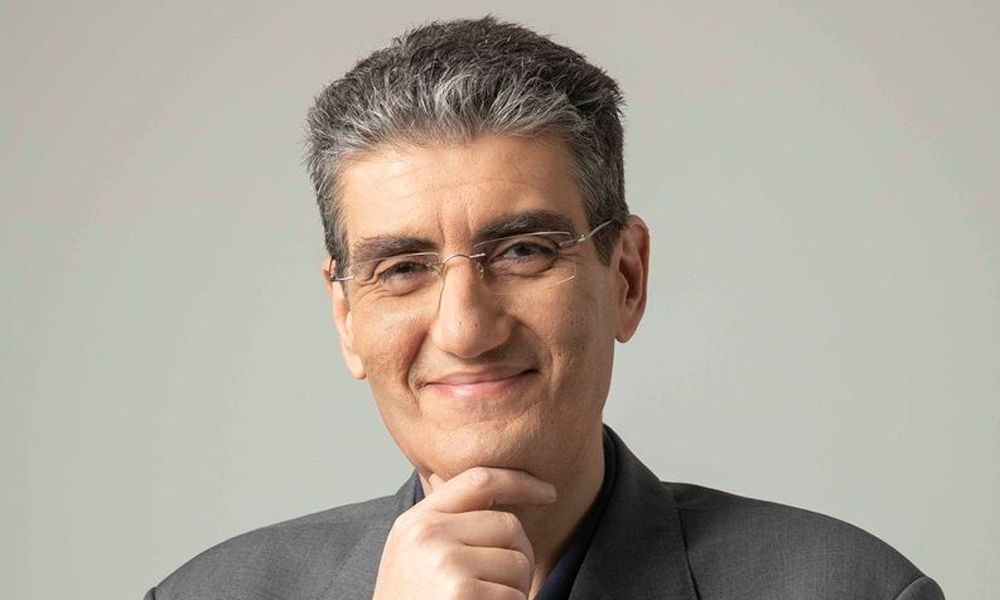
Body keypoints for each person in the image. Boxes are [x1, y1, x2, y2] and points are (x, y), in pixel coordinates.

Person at [145, 16, 944, 600]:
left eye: (523, 252)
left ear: (625, 277)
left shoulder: (855, 590)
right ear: (346, 317)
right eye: (403, 268)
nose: (465, 329)